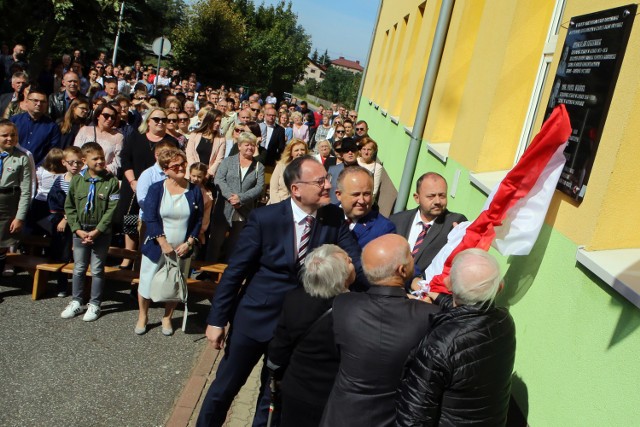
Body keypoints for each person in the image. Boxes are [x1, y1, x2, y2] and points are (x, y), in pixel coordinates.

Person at [196, 155, 367, 427]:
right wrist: (216, 320)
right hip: (254, 320)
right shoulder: (265, 218)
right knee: (224, 389)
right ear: (296, 189)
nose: (328, 185)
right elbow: (235, 272)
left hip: (296, 327)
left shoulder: (334, 217)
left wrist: (389, 284)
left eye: (327, 179)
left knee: (272, 397)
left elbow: (356, 261)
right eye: (320, 180)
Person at [320, 234, 439, 427]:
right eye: (410, 255)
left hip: (341, 415)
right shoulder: (429, 315)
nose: (413, 258)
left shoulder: (344, 304)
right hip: (390, 417)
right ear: (402, 269)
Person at [396, 249, 516, 426]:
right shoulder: (504, 321)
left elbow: (413, 419)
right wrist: (437, 297)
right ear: (499, 288)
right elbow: (472, 310)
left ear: (448, 284)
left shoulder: (439, 346)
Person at [267, 244, 354, 427]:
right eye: (348, 261)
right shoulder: (353, 310)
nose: (353, 262)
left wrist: (275, 375)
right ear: (340, 275)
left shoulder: (293, 299)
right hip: (332, 396)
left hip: (295, 390)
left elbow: (279, 348)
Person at [136, 148, 203, 336]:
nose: (182, 168)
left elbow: (198, 220)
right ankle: (143, 315)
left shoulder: (194, 190)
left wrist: (189, 242)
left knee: (175, 283)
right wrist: (163, 242)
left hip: (182, 248)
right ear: (166, 169)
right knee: (146, 281)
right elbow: (149, 217)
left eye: (183, 164)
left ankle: (167, 317)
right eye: (176, 165)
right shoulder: (156, 189)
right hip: (157, 245)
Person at [60, 142, 120, 322]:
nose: (101, 161)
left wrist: (97, 231)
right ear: (84, 160)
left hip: (100, 233)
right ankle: (76, 301)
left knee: (97, 268)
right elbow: (69, 206)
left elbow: (112, 209)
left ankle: (95, 304)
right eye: (96, 159)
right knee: (78, 268)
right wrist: (77, 229)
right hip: (80, 230)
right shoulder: (77, 180)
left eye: (102, 158)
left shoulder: (111, 181)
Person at [118, 107, 178, 268]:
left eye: (164, 120)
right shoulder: (136, 137)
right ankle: (128, 255)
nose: (160, 123)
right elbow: (125, 159)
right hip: (133, 185)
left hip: (159, 189)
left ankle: (142, 258)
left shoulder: (171, 142)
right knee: (130, 220)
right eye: (156, 119)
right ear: (148, 122)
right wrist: (132, 181)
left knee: (150, 222)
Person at [390, 172, 467, 276]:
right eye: (431, 196)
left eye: (442, 196)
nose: (438, 201)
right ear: (417, 198)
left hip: (427, 289)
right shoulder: (397, 220)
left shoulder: (454, 224)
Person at [205, 131, 264, 263]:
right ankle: (208, 273)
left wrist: (241, 199)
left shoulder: (258, 166)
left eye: (252, 145)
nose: (250, 147)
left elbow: (259, 188)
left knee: (234, 245)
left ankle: (227, 274)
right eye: (246, 145)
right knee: (215, 242)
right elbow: (219, 180)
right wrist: (231, 198)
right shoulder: (228, 161)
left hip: (243, 211)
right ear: (239, 146)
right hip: (224, 209)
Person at [47, 146, 83, 297]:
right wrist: (60, 218)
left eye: (78, 163)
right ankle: (61, 285)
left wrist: (66, 219)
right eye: (71, 162)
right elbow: (53, 202)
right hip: (60, 222)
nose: (75, 166)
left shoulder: (83, 180)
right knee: (61, 253)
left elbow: (78, 203)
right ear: (64, 163)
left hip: (78, 222)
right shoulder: (59, 181)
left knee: (78, 257)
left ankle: (79, 288)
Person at [0, 119, 32, 278]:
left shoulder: (22, 158)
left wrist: (19, 217)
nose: (9, 138)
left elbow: (26, 190)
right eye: (4, 135)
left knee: (1, 246)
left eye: (13, 135)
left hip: (8, 203)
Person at [335, 166, 396, 248]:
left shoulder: (384, 229)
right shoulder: (324, 215)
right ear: (339, 195)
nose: (362, 200)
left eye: (366, 194)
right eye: (356, 194)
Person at [10, 89, 62, 166]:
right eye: (35, 100)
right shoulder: (14, 121)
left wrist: (39, 168)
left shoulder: (52, 127)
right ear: (27, 102)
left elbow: (52, 152)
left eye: (43, 101)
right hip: (11, 165)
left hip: (37, 170)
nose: (39, 104)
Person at [74, 102, 123, 176]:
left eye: (113, 117)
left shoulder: (118, 136)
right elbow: (76, 152)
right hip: (81, 173)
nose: (109, 119)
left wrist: (103, 171)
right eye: (106, 116)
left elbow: (117, 161)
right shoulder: (84, 130)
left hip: (104, 175)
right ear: (98, 116)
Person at [186, 109, 226, 184]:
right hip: (192, 175)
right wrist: (196, 171)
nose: (217, 123)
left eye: (219, 121)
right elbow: (189, 154)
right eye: (215, 121)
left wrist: (208, 174)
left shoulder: (221, 139)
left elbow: (219, 159)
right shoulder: (194, 135)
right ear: (209, 120)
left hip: (208, 177)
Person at [268, 139, 308, 205]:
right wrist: (278, 205)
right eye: (296, 150)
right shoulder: (281, 165)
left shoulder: (310, 168)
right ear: (291, 153)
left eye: (302, 150)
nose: (300, 153)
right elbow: (273, 188)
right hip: (278, 202)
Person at [328, 137, 360, 205]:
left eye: (353, 150)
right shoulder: (332, 170)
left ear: (357, 152)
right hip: (333, 209)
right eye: (346, 150)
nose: (350, 152)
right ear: (342, 154)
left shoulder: (365, 173)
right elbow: (326, 191)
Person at [189, 162, 213, 244]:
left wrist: (200, 231)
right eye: (193, 176)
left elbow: (206, 216)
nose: (195, 179)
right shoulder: (183, 188)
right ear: (189, 174)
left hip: (196, 232)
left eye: (199, 176)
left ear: (204, 176)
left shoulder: (207, 194)